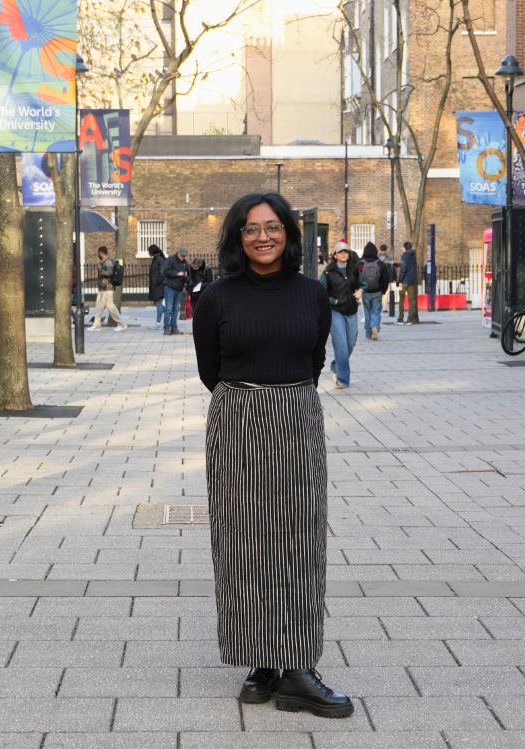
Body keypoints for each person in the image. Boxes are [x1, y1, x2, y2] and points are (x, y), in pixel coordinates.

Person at [192, 192, 352, 720]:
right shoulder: (216, 298)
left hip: (297, 420)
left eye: (273, 226)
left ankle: (298, 668)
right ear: (238, 237)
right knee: (242, 542)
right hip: (237, 422)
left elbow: (313, 359)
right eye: (251, 228)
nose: (263, 236)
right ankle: (261, 661)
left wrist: (283, 400)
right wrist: (252, 401)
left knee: (300, 541)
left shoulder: (312, 294)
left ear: (288, 233)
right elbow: (210, 370)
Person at [321, 243, 366, 389]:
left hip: (351, 310)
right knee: (341, 345)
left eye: (345, 251)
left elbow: (363, 284)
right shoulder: (328, 272)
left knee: (350, 343)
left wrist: (360, 291)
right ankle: (342, 379)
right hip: (335, 311)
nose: (343, 254)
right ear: (335, 255)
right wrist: (333, 301)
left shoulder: (354, 269)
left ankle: (336, 365)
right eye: (340, 252)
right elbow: (321, 292)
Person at [90, 247, 127, 331]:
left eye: (98, 253)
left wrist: (100, 269)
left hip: (108, 288)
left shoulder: (108, 262)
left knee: (110, 307)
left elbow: (109, 273)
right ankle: (97, 325)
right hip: (103, 288)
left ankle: (122, 324)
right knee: (99, 306)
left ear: (100, 253)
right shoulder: (105, 262)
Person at [358, 242, 389, 340]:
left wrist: (358, 289)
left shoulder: (360, 264)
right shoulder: (380, 264)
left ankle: (368, 333)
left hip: (365, 292)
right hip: (377, 292)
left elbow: (355, 277)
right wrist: (383, 290)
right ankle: (375, 326)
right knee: (376, 311)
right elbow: (386, 278)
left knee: (367, 313)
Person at [162, 246, 190, 335]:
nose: (183, 258)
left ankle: (174, 327)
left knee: (175, 309)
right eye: (182, 256)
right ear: (178, 253)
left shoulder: (185, 263)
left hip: (179, 288)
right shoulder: (170, 259)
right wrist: (176, 274)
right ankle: (166, 327)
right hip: (170, 287)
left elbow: (187, 274)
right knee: (169, 309)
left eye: (185, 256)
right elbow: (165, 271)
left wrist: (186, 279)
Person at [396, 241, 419, 325]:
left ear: (405, 248)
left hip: (404, 281)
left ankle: (401, 318)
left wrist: (399, 280)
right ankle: (410, 319)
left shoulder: (404, 256)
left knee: (401, 299)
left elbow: (404, 269)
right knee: (411, 301)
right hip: (412, 281)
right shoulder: (413, 256)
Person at [148, 244, 166, 330]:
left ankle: (158, 323)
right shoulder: (155, 259)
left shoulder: (160, 260)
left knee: (158, 303)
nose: (148, 253)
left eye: (149, 251)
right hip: (155, 285)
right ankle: (169, 315)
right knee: (157, 303)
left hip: (159, 286)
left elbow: (162, 273)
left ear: (152, 252)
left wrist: (158, 282)